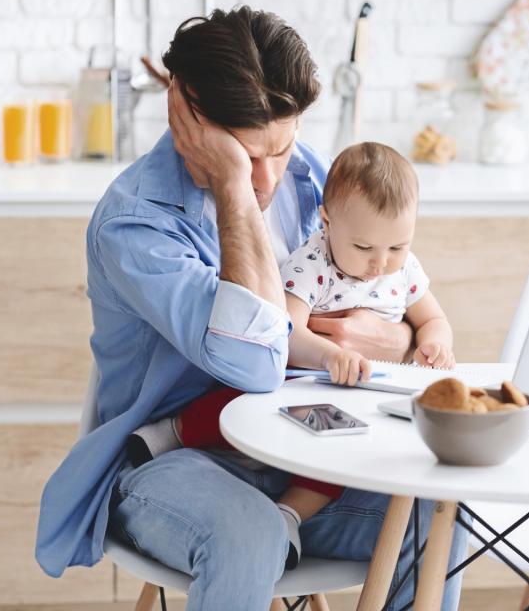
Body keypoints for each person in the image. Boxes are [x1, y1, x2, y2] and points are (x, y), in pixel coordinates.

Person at [35, 7, 469, 610]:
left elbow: (386, 305)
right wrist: (232, 188)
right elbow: (257, 363)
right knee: (250, 533)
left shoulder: (314, 179)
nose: (268, 178)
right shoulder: (136, 225)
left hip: (304, 453)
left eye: (281, 150)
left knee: (439, 507)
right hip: (177, 462)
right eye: (244, 154)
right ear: (190, 117)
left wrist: (396, 342)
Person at [125, 141, 456, 569]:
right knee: (235, 406)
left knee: (342, 460)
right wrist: (326, 355)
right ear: (326, 221)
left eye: (397, 247)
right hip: (297, 387)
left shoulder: (404, 271)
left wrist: (435, 342)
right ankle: (174, 429)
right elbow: (286, 332)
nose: (380, 264)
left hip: (359, 399)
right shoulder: (314, 263)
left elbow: (434, 319)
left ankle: (291, 514)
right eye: (363, 248)